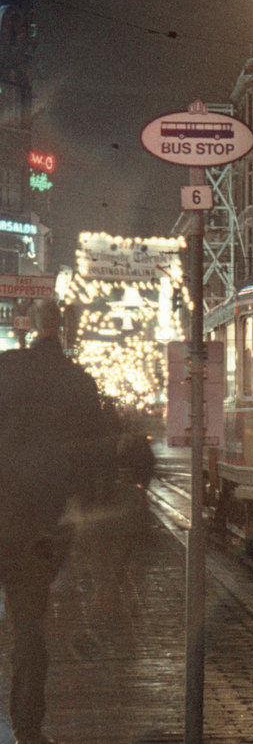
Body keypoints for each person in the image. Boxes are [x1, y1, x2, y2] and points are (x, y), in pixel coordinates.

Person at [0, 300, 114, 744]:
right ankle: (28, 728)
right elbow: (96, 456)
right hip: (39, 527)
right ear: (65, 328)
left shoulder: (6, 368)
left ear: (31, 327)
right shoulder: (78, 382)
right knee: (30, 633)